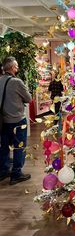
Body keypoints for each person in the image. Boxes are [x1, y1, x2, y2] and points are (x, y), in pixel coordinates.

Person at [0, 56, 32, 185]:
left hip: (3, 120)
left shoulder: (0, 80)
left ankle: (3, 170)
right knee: (19, 147)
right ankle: (16, 173)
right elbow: (28, 98)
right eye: (17, 65)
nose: (17, 67)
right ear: (13, 67)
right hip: (17, 120)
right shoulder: (17, 82)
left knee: (4, 147)